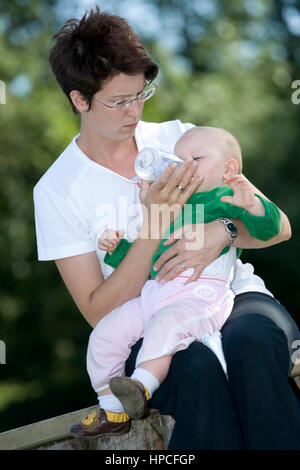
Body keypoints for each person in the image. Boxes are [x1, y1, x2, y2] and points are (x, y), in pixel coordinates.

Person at [33, 7, 300, 449]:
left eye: (141, 94)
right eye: (119, 101)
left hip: (232, 295)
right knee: (195, 370)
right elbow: (99, 311)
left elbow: (280, 228)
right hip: (150, 318)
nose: (134, 111)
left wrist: (226, 231)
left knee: (251, 347)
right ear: (79, 100)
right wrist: (153, 227)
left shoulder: (184, 142)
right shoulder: (58, 191)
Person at [80, 125, 283, 426]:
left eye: (196, 158)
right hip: (154, 295)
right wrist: (117, 248)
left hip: (198, 298)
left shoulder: (226, 198)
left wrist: (252, 205)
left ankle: (142, 387)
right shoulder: (171, 206)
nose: (183, 167)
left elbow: (272, 228)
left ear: (229, 169)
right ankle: (111, 403)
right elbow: (148, 259)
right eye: (178, 159)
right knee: (105, 335)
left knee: (165, 327)